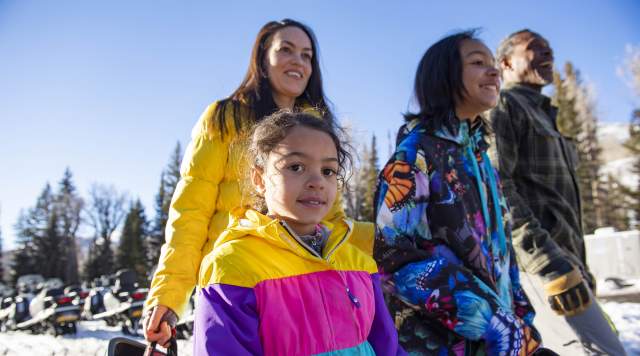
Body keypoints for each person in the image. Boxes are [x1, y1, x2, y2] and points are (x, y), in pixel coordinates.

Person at [142, 19, 374, 348]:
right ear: (263, 58)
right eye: (287, 50)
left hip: (302, 285)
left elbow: (332, 222)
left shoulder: (318, 132)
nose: (299, 61)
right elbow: (190, 214)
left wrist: (388, 242)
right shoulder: (224, 119)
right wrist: (168, 296)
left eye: (307, 55)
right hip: (237, 284)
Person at [374, 30, 542, 355]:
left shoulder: (482, 161)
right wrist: (489, 319)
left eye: (494, 63)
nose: (494, 71)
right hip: (439, 343)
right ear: (444, 77)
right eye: (478, 63)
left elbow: (503, 253)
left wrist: (523, 324)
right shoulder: (416, 154)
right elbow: (392, 258)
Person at [193, 110, 403, 355]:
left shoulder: (358, 262)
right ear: (259, 179)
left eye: (328, 171)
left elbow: (388, 347)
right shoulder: (232, 266)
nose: (317, 181)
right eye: (296, 167)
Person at [490, 29, 627, 355]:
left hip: (570, 265)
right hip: (539, 268)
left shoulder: (545, 115)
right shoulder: (504, 105)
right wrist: (547, 263)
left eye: (549, 48)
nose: (547, 53)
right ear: (507, 62)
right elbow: (497, 187)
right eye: (534, 48)